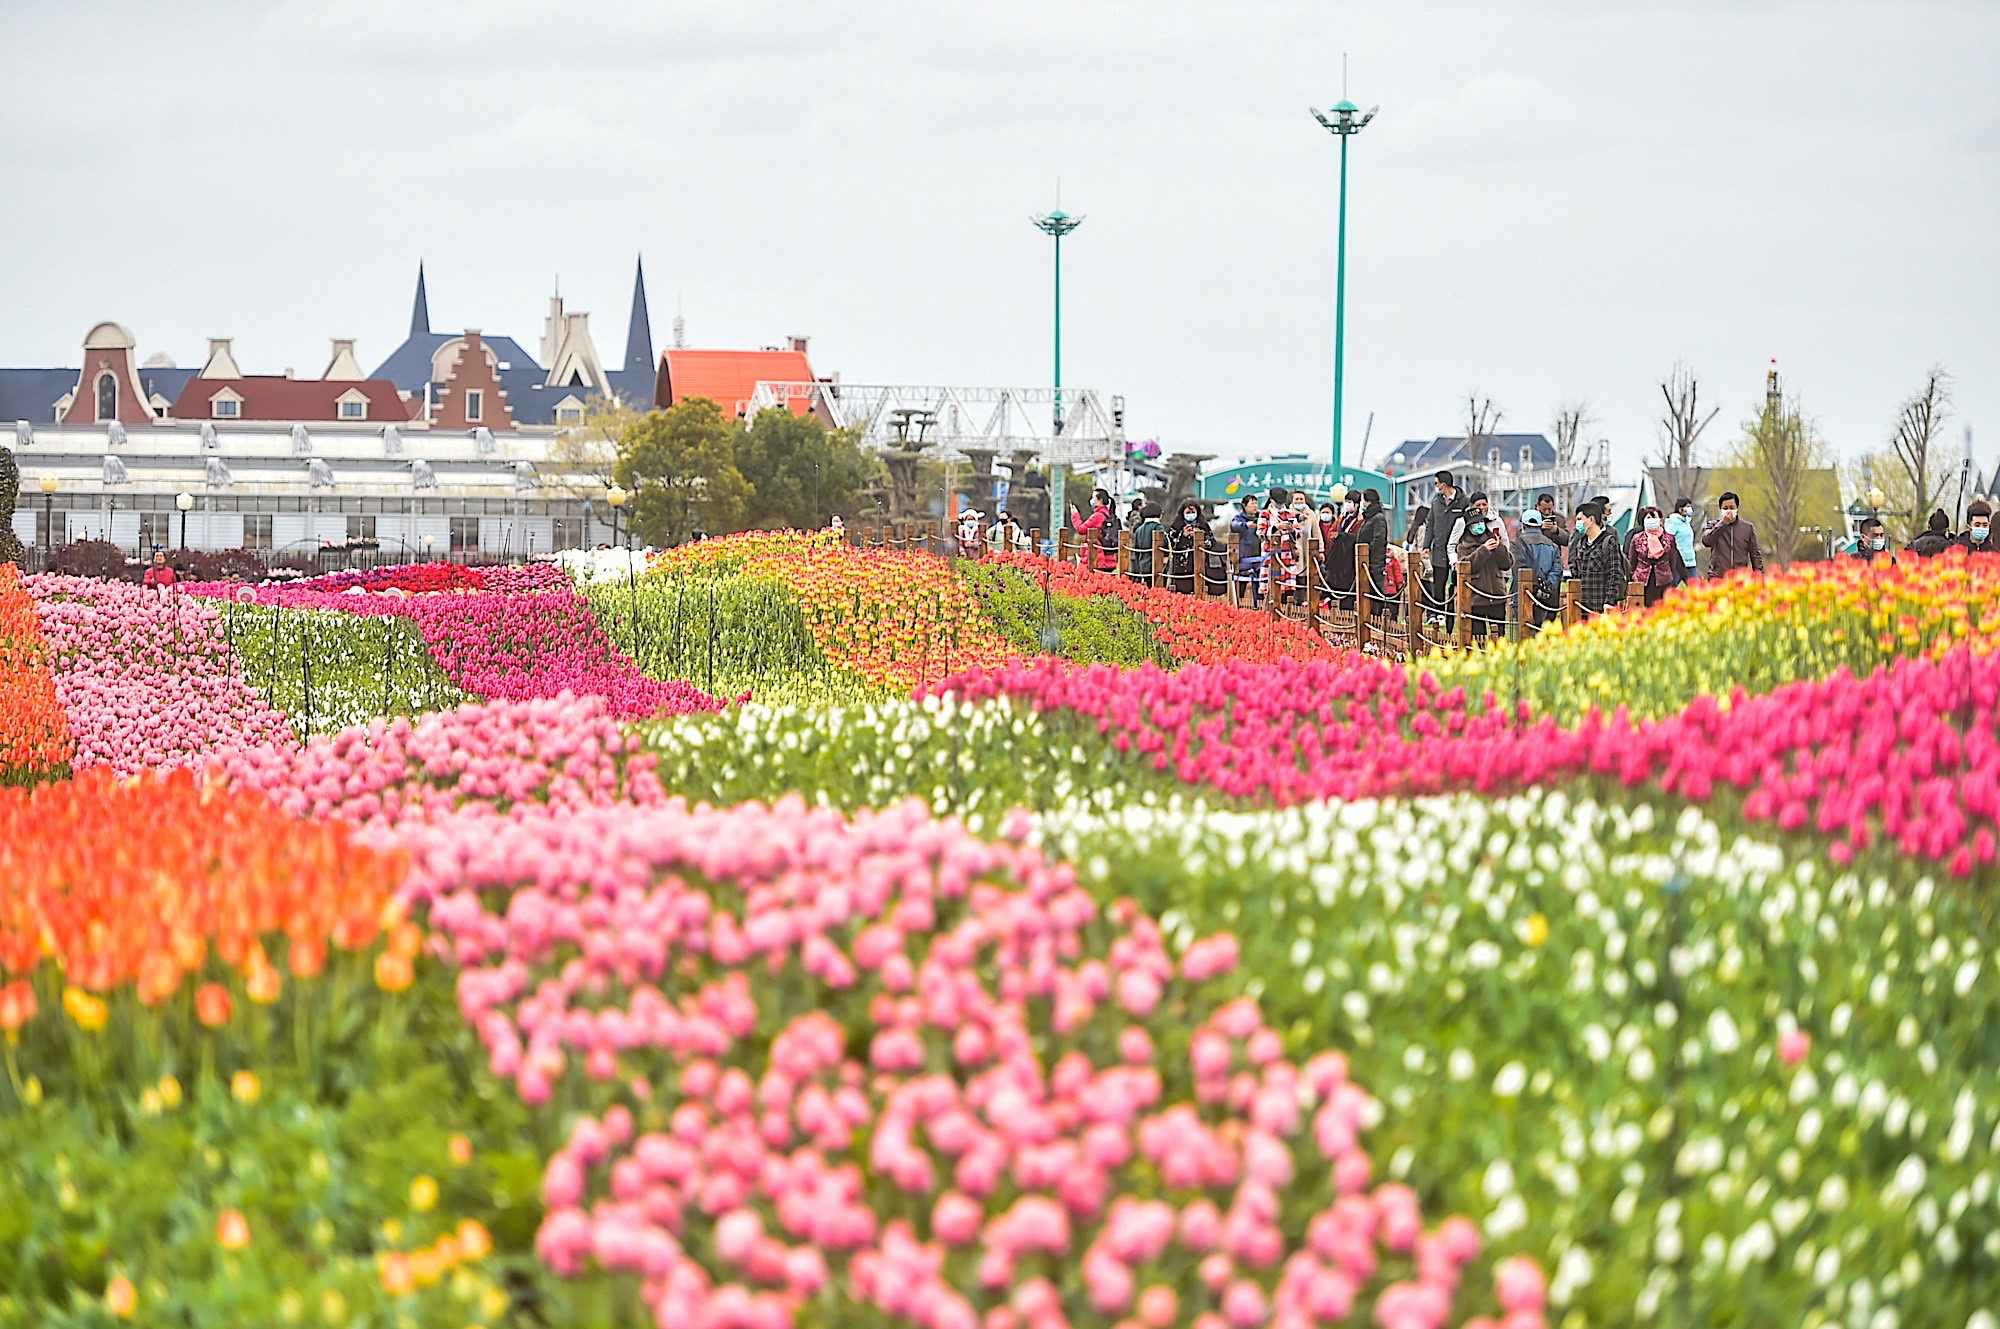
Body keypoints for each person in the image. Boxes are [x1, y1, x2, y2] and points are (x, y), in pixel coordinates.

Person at [1454, 505, 1514, 638]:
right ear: (1468, 527)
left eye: (1481, 522)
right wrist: (1483, 550)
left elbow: (1507, 564)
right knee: (1478, 638)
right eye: (1475, 523)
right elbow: (1466, 567)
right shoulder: (1463, 546)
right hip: (1476, 599)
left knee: (1499, 636)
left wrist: (1499, 547)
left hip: (1497, 596)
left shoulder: (1492, 538)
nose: (1479, 525)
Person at [1426, 472, 1469, 631]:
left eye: (1437, 483)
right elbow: (1430, 524)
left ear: (1444, 484)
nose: (1436, 486)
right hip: (1439, 550)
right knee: (1438, 584)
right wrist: (1426, 546)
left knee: (1455, 585)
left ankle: (1457, 615)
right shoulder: (1436, 501)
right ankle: (1438, 615)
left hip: (1457, 551)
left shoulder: (1463, 501)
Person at [1572, 501, 1629, 616]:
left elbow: (1615, 573)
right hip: (1581, 607)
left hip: (1601, 607)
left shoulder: (1609, 542)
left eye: (1580, 519)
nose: (1577, 523)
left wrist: (1610, 601)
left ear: (1591, 520)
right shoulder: (1581, 543)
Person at [1627, 505, 1689, 605]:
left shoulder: (1669, 538)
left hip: (1663, 581)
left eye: (1654, 517)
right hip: (1642, 581)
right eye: (1648, 518)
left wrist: (1667, 572)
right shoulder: (1637, 538)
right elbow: (1632, 561)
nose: (1651, 520)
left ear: (1660, 520)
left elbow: (1673, 559)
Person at [1512, 509, 1564, 628]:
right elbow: (1557, 569)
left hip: (1524, 596)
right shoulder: (1553, 546)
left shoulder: (1516, 544)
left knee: (1526, 637)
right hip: (1548, 599)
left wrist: (1534, 587)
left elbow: (1518, 569)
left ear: (1523, 525)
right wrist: (1547, 586)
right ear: (1541, 525)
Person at [1701, 490, 1765, 576]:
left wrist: (1759, 575)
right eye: (1725, 508)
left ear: (1737, 508)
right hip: (1718, 577)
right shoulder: (1713, 525)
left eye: (1732, 507)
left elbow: (1755, 555)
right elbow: (1706, 541)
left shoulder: (1747, 528)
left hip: (1740, 578)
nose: (1729, 511)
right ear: (1720, 509)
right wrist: (1722, 524)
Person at [1354, 489, 1389, 617]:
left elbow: (1379, 539)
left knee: (1375, 593)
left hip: (1374, 563)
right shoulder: (1369, 518)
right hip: (1365, 562)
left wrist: (1365, 553)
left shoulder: (1378, 518)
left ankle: (1376, 619)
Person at [1229, 495, 1265, 605]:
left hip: (1260, 556)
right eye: (1252, 503)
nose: (1255, 506)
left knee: (1260, 582)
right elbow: (1235, 526)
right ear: (1244, 506)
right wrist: (1246, 525)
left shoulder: (1261, 517)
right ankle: (1237, 604)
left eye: (1256, 503)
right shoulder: (1238, 518)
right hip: (1243, 557)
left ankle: (1259, 605)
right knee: (1241, 584)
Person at [1070, 489, 1114, 571]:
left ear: (1100, 500)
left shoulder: (1097, 516)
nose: (1091, 501)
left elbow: (1081, 529)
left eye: (1093, 498)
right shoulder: (1107, 514)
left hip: (1096, 555)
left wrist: (1075, 515)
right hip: (1107, 555)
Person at [1167, 500, 1202, 594]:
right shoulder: (1176, 526)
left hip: (1199, 566)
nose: (1190, 515)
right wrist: (1183, 536)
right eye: (1188, 513)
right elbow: (1169, 544)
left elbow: (1212, 543)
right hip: (1180, 567)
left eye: (1193, 512)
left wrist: (1199, 536)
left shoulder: (1203, 525)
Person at [1128, 503, 1165, 585]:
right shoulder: (1158, 527)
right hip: (1156, 565)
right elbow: (1164, 545)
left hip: (1143, 565)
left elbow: (1136, 550)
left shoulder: (1139, 530)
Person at [1664, 498, 1698, 579]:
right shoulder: (1674, 522)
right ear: (1680, 509)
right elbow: (1668, 539)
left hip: (1690, 559)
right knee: (1672, 585)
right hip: (1679, 560)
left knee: (1695, 586)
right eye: (1687, 506)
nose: (1690, 509)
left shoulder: (1687, 523)